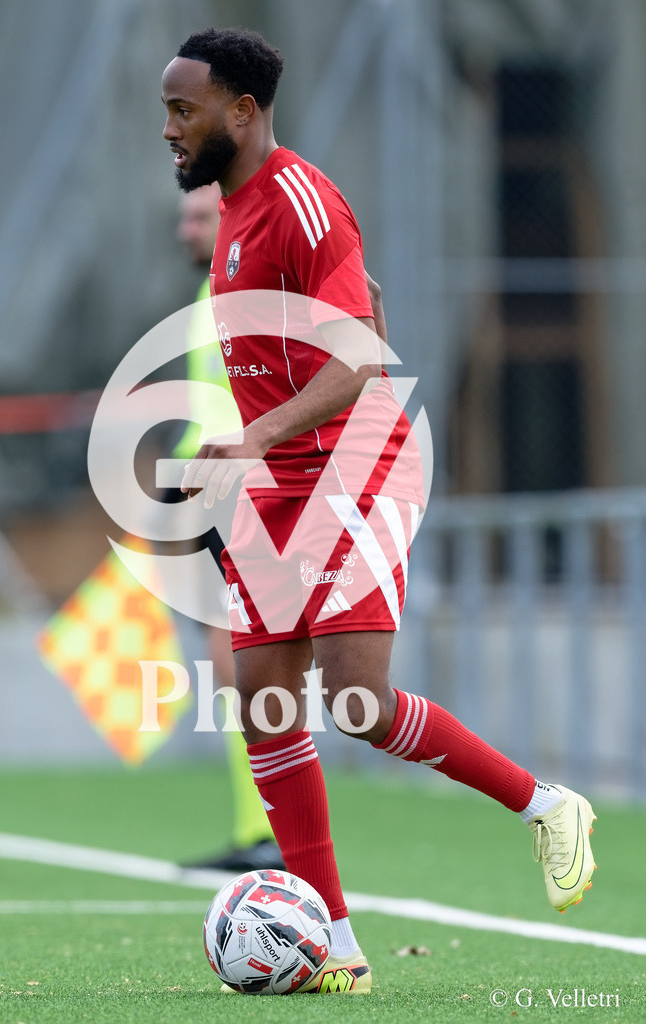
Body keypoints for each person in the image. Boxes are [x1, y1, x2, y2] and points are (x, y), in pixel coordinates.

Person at [161, 27, 596, 995]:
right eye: (165, 111)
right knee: (265, 699)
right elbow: (355, 312)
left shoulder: (303, 202)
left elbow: (360, 358)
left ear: (242, 110)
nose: (169, 129)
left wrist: (255, 436)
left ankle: (548, 807)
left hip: (355, 465)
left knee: (355, 700)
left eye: (182, 109)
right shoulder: (232, 213)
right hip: (279, 476)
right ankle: (339, 949)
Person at [170, 183, 283, 871]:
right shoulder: (209, 298)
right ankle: (256, 831)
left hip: (241, 494)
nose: (184, 229)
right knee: (231, 667)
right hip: (210, 495)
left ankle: (269, 832)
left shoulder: (246, 298)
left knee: (244, 663)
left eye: (197, 218)